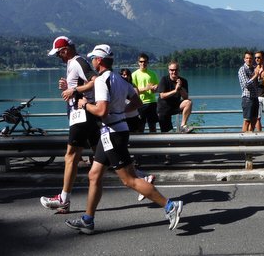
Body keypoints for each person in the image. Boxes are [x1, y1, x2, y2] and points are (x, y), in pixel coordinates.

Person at [65, 44, 183, 234]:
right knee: (94, 175)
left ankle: (170, 206)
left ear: (100, 60)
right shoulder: (119, 79)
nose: (93, 61)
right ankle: (88, 220)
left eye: (94, 58)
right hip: (113, 131)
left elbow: (102, 111)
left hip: (112, 133)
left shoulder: (103, 81)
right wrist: (119, 112)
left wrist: (85, 104)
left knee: (129, 180)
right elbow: (136, 102)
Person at [40, 36, 99, 213]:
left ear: (65, 50)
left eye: (58, 54)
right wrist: (68, 86)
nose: (59, 57)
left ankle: (64, 199)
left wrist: (73, 90)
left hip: (82, 115)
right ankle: (142, 178)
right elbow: (82, 84)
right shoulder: (72, 63)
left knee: (71, 156)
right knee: (104, 156)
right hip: (82, 115)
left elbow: (95, 80)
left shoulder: (78, 62)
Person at [120, 68, 155, 201]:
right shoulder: (123, 86)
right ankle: (143, 178)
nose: (124, 76)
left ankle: (143, 178)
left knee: (121, 159)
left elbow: (137, 102)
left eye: (126, 74)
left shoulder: (129, 88)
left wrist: (121, 111)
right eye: (122, 74)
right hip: (121, 121)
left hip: (129, 120)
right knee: (119, 161)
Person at [157, 61, 194, 134]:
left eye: (176, 70)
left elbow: (185, 97)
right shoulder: (164, 79)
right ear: (168, 70)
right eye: (171, 70)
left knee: (188, 102)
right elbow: (162, 95)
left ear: (179, 70)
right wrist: (175, 90)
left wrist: (180, 88)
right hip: (163, 109)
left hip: (175, 106)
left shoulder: (183, 81)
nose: (174, 72)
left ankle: (183, 126)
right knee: (167, 133)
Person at [131, 53, 159, 133]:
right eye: (141, 61)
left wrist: (155, 88)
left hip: (152, 102)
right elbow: (133, 91)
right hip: (140, 103)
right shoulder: (134, 75)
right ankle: (141, 144)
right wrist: (146, 88)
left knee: (152, 126)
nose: (143, 63)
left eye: (145, 61)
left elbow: (156, 87)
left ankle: (154, 144)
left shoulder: (153, 74)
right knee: (140, 126)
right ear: (138, 62)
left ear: (147, 62)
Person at [238, 51, 261, 132]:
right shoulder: (242, 69)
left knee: (254, 120)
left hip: (255, 97)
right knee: (247, 121)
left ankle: (250, 138)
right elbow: (246, 84)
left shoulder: (255, 68)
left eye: (250, 58)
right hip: (247, 98)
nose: (249, 60)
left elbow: (259, 83)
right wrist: (255, 75)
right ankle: (243, 140)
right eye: (247, 58)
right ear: (244, 59)